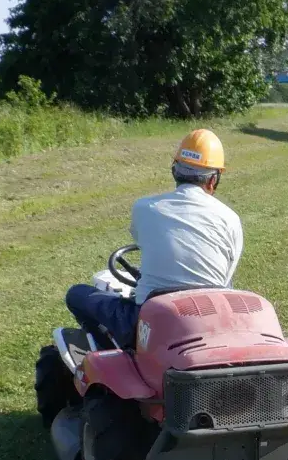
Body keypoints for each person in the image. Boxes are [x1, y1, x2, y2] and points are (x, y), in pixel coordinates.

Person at [65, 129, 243, 348]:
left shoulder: (144, 208)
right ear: (214, 179)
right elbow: (226, 281)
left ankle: (111, 353)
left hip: (148, 320)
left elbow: (145, 242)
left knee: (77, 294)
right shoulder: (230, 219)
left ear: (174, 171)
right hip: (209, 321)